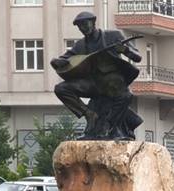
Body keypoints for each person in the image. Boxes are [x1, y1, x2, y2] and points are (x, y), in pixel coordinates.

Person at [50, 11, 143, 140]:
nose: (83, 28)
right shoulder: (81, 45)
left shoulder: (113, 35)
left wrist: (125, 50)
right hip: (92, 84)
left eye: (85, 24)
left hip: (113, 81)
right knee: (61, 89)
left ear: (93, 22)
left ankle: (109, 125)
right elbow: (64, 59)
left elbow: (137, 57)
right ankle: (89, 114)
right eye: (80, 26)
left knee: (126, 95)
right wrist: (56, 62)